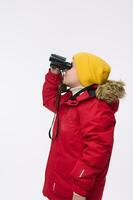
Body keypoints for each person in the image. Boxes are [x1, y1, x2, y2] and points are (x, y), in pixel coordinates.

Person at [41, 52, 125, 200]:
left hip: (76, 191)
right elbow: (49, 99)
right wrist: (54, 74)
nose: (65, 69)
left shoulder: (97, 107)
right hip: (59, 184)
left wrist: (80, 190)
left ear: (85, 74)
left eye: (71, 66)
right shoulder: (71, 99)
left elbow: (97, 152)